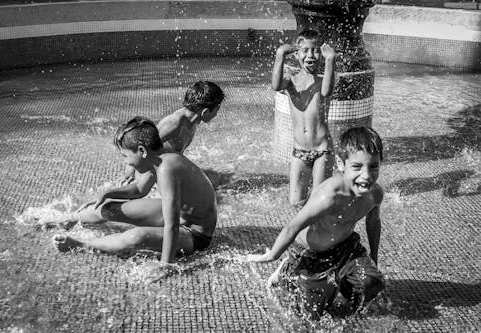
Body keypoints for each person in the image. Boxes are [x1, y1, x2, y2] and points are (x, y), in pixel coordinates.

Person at [40, 116, 217, 263]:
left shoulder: (167, 168)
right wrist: (108, 193)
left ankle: (82, 245)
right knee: (109, 208)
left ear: (142, 151)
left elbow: (172, 226)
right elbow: (140, 189)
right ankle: (67, 220)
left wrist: (165, 265)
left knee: (137, 237)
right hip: (181, 215)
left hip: (195, 234)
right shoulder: (158, 160)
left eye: (125, 156)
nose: (126, 162)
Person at [247, 127, 385, 314]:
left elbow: (373, 223)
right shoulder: (328, 197)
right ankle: (286, 270)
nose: (366, 176)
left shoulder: (375, 194)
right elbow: (293, 226)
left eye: (373, 166)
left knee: (372, 282)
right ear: (341, 164)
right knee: (313, 312)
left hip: (345, 248)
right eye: (357, 167)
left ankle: (342, 287)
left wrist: (374, 258)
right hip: (310, 254)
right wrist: (271, 255)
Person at [272, 30, 336, 205]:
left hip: (322, 149)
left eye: (315, 50)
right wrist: (280, 56)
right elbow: (276, 85)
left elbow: (326, 92)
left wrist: (331, 59)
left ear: (321, 54)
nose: (310, 55)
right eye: (305, 50)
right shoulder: (290, 79)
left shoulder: (324, 79)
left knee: (318, 202)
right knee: (295, 202)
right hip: (299, 151)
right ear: (296, 54)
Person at [121, 80, 224, 185]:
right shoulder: (174, 123)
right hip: (157, 173)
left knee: (216, 177)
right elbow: (140, 143)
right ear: (205, 112)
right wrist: (131, 169)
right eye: (217, 109)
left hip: (168, 169)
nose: (217, 113)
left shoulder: (193, 120)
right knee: (211, 183)